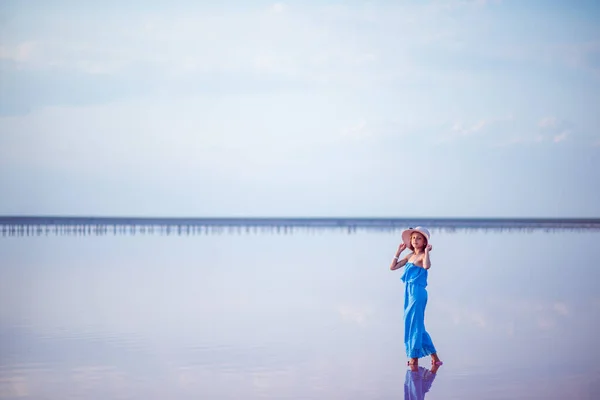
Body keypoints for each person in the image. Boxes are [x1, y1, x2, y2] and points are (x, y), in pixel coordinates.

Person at [390, 226, 443, 367]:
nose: (415, 240)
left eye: (419, 238)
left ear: (424, 242)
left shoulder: (421, 257)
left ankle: (414, 358)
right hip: (408, 292)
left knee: (414, 324)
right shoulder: (409, 256)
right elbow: (393, 267)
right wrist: (398, 251)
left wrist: (426, 253)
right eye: (413, 238)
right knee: (414, 324)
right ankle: (435, 358)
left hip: (418, 293)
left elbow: (426, 266)